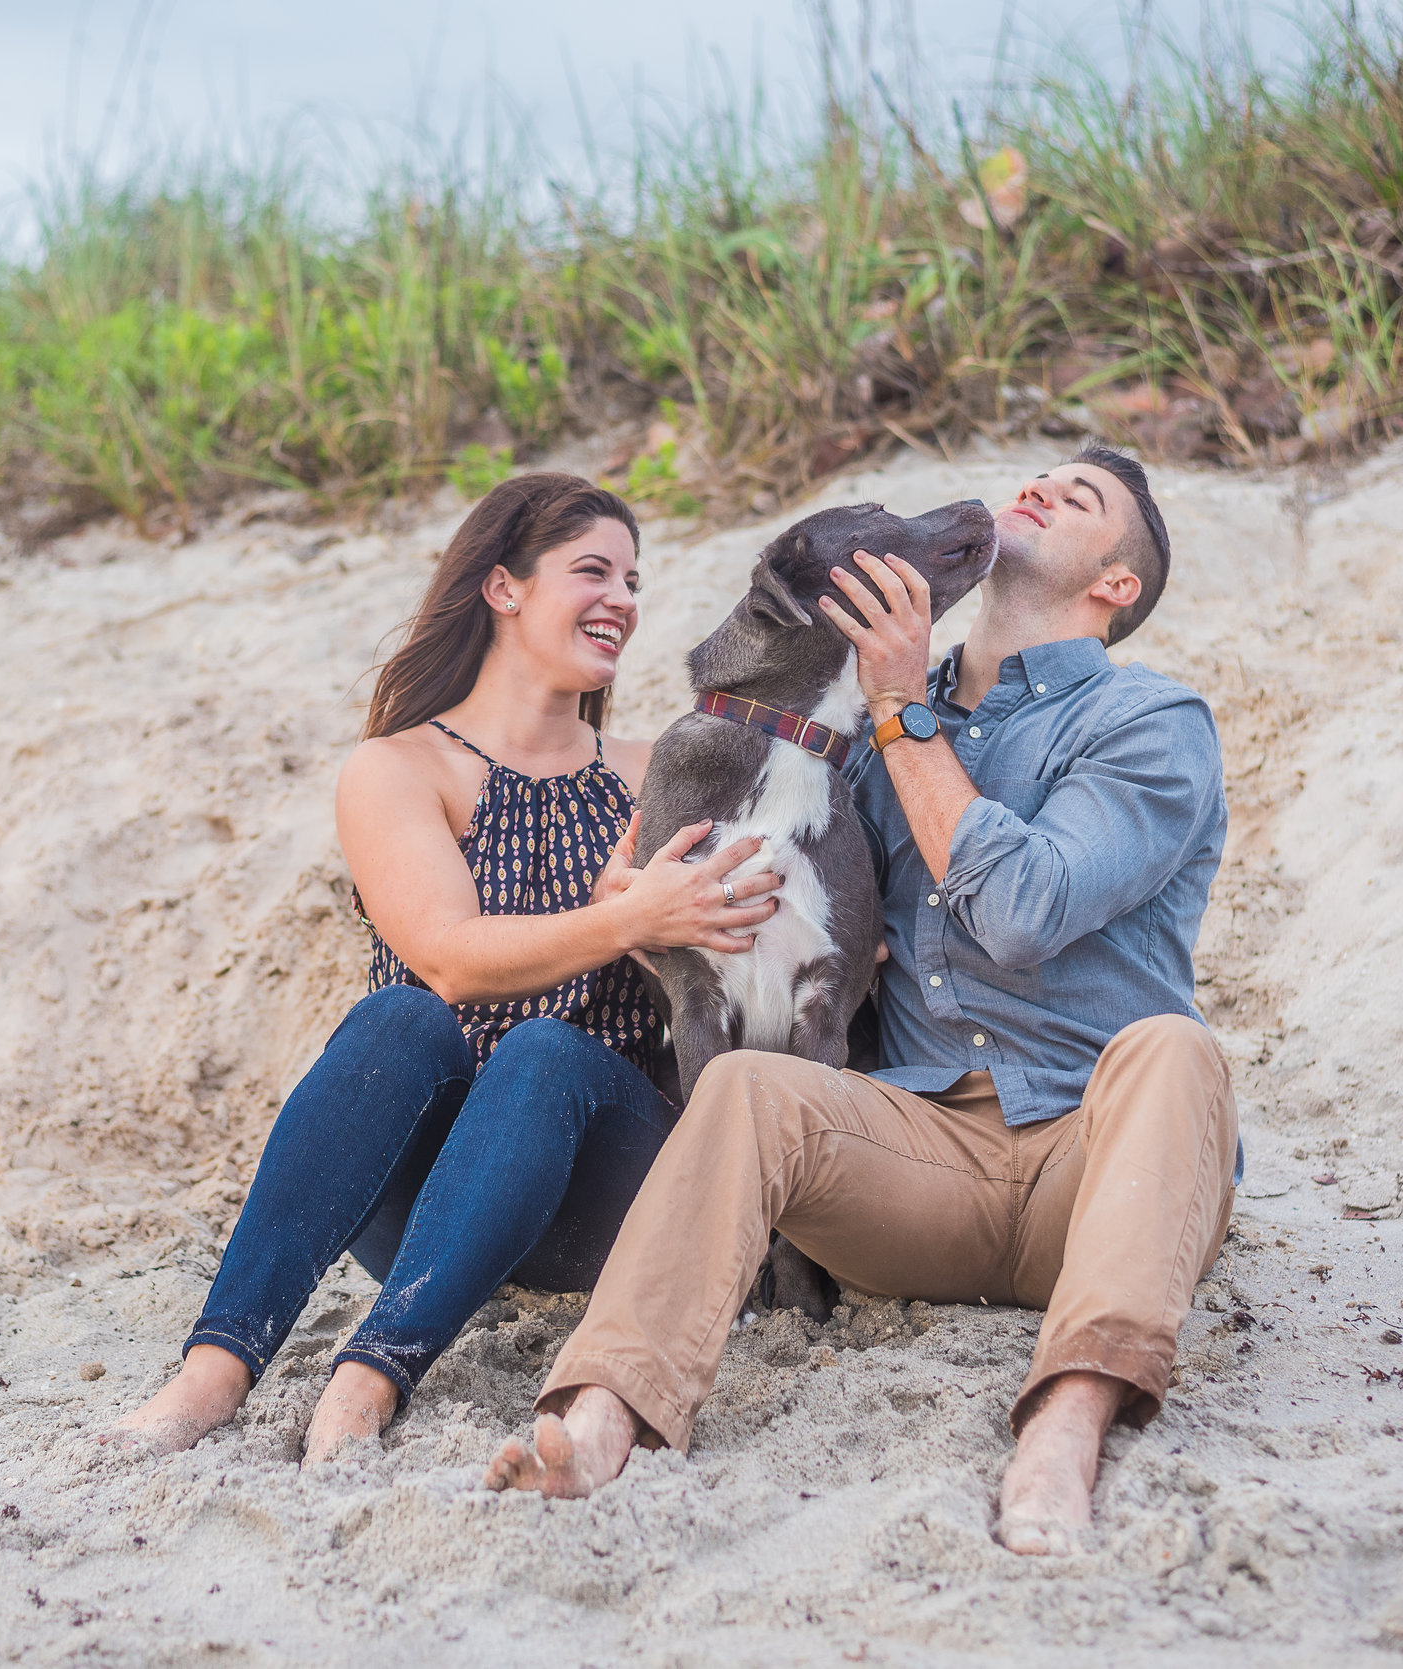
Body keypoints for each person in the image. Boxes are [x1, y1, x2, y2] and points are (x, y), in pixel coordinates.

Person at [483, 444, 1236, 1556]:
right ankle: (600, 1417)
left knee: (1175, 1048)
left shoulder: (1146, 726)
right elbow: (755, 908)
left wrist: (901, 710)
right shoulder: (857, 739)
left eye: (1079, 500)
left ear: (1113, 586)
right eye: (1039, 475)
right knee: (745, 1085)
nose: (1037, 489)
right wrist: (650, 913)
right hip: (920, 1161)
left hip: (1101, 1159)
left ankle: (1066, 1426)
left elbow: (1024, 908)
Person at [107, 472, 782, 1466]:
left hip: (615, 1188)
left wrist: (662, 933)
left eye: (633, 579)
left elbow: (762, 953)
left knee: (550, 1052)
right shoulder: (395, 769)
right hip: (425, 1204)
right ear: (502, 587)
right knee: (399, 1021)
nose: (623, 600)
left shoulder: (657, 771)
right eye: (591, 570)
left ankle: (370, 1376)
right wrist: (621, 916)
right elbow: (448, 961)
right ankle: (212, 1372)